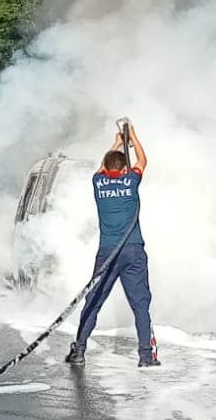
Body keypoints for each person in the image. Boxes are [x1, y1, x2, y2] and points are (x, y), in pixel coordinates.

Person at [66, 120, 158, 369]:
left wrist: (117, 143)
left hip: (107, 253)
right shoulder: (131, 181)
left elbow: (103, 167)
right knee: (140, 304)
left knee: (94, 301)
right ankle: (146, 356)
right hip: (133, 251)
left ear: (106, 169)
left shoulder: (98, 182)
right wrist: (133, 136)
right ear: (123, 169)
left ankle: (79, 350)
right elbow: (142, 160)